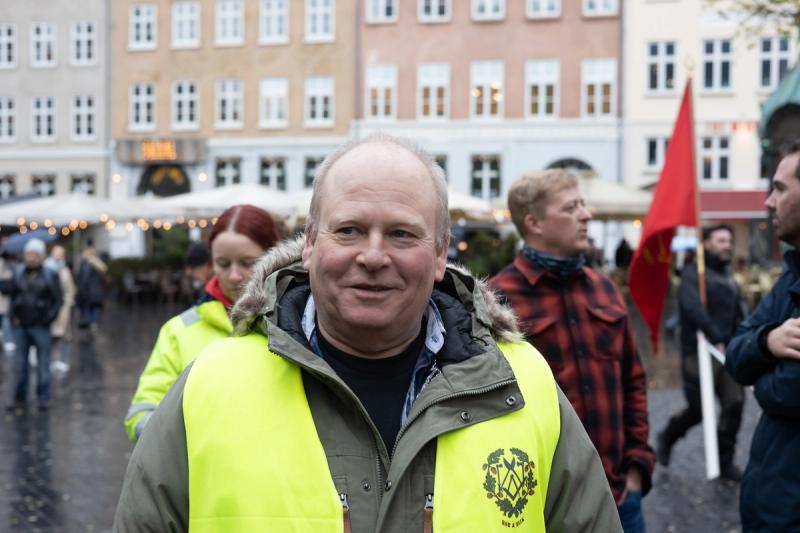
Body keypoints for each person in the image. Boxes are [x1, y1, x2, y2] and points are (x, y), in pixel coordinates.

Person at [114, 134, 622, 532]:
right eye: (350, 229)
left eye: (401, 233)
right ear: (310, 244)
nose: (373, 256)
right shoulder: (208, 387)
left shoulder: (523, 383)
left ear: (442, 252)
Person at [488, 169, 654, 533]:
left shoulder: (604, 289)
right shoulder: (496, 300)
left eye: (584, 204)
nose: (586, 215)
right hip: (547, 504)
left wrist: (638, 465)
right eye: (571, 207)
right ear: (534, 223)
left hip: (620, 494)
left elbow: (633, 380)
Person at [123, 204, 279, 442]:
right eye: (223, 263)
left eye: (248, 263)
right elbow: (142, 412)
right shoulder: (178, 331)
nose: (234, 275)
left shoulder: (300, 323)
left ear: (274, 258)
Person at [725, 142, 800, 531]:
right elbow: (737, 353)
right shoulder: (792, 273)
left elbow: (788, 391)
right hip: (772, 504)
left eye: (781, 188)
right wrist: (768, 341)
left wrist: (761, 383)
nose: (769, 202)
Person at [656, 224, 746, 481]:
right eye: (720, 240)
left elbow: (738, 312)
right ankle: (668, 436)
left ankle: (724, 462)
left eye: (729, 240)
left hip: (726, 352)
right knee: (698, 408)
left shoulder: (728, 275)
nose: (726, 245)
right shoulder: (692, 273)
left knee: (734, 404)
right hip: (699, 351)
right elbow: (692, 307)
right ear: (706, 243)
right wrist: (715, 336)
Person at [1, 238, 62, 412]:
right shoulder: (19, 272)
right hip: (21, 326)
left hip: (41, 326)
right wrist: (13, 316)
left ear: (41, 256)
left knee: (43, 365)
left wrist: (48, 318)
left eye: (35, 254)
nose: (31, 258)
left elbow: (58, 300)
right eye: (29, 254)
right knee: (20, 365)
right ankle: (20, 397)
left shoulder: (50, 274)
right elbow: (13, 295)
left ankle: (43, 398)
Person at [45, 245, 76, 374]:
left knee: (64, 336)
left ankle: (62, 361)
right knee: (50, 336)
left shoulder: (65, 270)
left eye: (60, 254)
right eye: (56, 253)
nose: (58, 256)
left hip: (63, 309)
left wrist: (68, 303)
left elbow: (71, 288)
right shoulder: (46, 269)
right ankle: (51, 360)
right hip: (49, 308)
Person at [75, 241, 107, 333]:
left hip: (91, 290)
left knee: (92, 308)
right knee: (91, 308)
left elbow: (83, 278)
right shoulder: (87, 263)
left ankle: (91, 323)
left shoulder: (90, 263)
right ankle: (91, 323)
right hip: (91, 291)